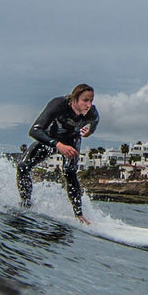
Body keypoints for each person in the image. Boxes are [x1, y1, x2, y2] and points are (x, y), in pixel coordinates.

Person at [15, 83, 99, 222]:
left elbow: (94, 124)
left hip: (71, 141)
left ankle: (79, 215)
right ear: (74, 99)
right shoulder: (59, 104)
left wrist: (89, 132)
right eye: (85, 100)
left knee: (69, 172)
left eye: (91, 100)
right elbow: (34, 130)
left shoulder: (92, 113)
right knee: (23, 167)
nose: (89, 104)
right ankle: (26, 204)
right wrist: (58, 145)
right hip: (51, 138)